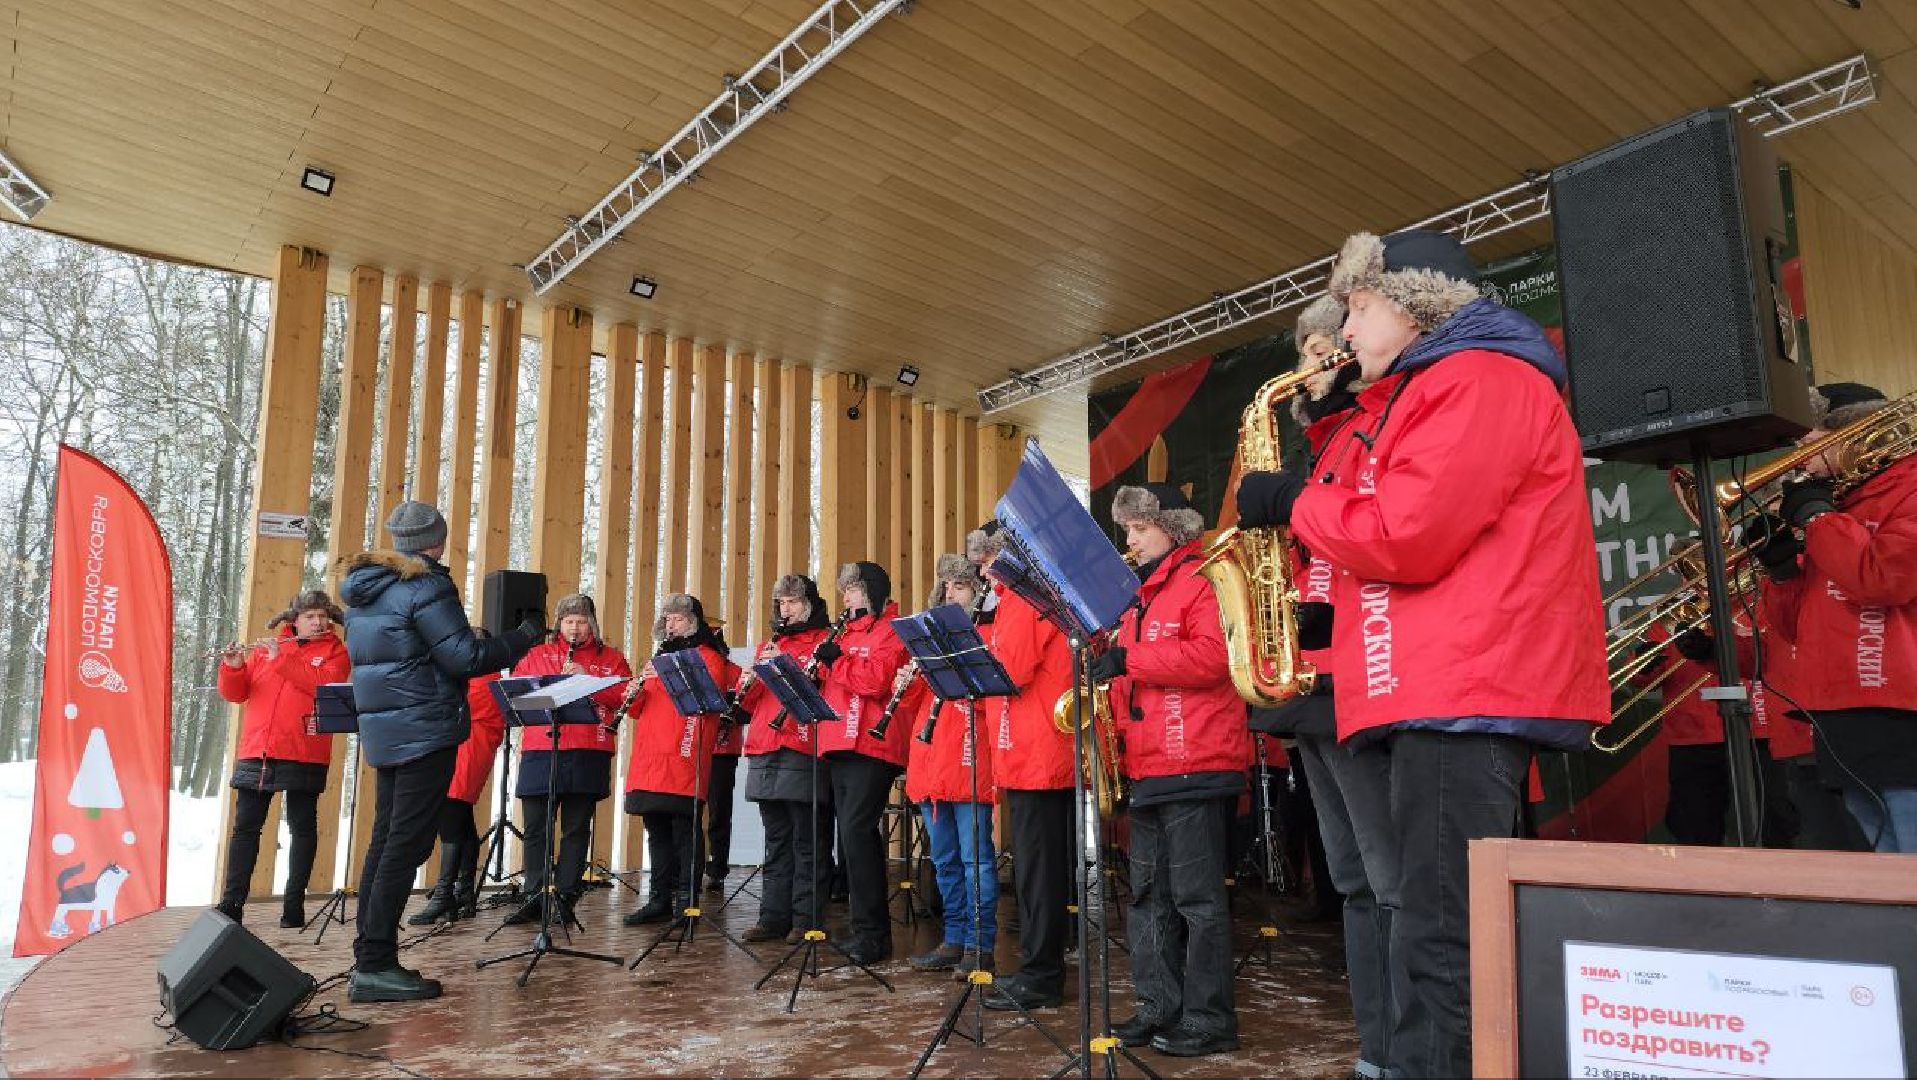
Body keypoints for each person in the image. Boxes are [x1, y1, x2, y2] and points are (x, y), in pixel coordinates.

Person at [1236, 230, 1609, 1076]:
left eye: (1359, 308)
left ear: (1411, 306)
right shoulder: (1433, 386)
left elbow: (1407, 533)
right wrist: (1330, 428)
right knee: (1433, 934)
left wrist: (1296, 498)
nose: (1347, 328)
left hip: (1465, 683)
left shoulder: (1477, 378)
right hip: (1437, 682)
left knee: (1444, 943)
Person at [1246, 296, 1402, 1080]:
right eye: (1306, 348)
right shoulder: (1320, 443)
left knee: (1385, 878)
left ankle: (1407, 1048)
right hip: (1315, 692)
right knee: (1352, 881)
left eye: (1323, 345)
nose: (1313, 362)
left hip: (1362, 683)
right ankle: (1377, 1046)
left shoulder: (1372, 427)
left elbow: (1381, 532)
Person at [339, 500, 539, 1002]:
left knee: (385, 841)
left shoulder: (366, 592)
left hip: (388, 731)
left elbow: (395, 654)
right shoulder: (426, 584)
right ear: (438, 542)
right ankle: (376, 965)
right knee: (404, 846)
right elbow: (464, 658)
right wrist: (522, 638)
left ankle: (369, 954)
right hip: (425, 729)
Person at [1099, 483, 1251, 1058]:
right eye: (1129, 531)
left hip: (1197, 759)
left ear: (1172, 526)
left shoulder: (1203, 578)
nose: (1130, 541)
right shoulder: (1141, 595)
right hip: (1149, 765)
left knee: (1197, 900)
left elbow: (1216, 656)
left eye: (1139, 529)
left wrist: (1127, 658)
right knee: (1147, 898)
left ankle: (1210, 1019)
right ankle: (1158, 1007)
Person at [1753, 381, 1916, 852]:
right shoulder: (1837, 510)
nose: (1801, 447)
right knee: (1879, 861)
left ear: (1856, 435)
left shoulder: (1906, 489)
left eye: (1816, 433)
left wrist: (1820, 520)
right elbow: (1788, 634)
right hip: (1837, 709)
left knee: (1907, 857)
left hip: (1897, 708)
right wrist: (1782, 574)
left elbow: (1883, 578)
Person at [973, 523, 1079, 1014]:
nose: (981, 568)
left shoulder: (1024, 599)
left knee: (1039, 872)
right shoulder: (1034, 596)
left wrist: (979, 655)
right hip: (1037, 749)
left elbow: (1011, 669)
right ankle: (1040, 967)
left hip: (1037, 751)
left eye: (988, 558)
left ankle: (1041, 975)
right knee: (1040, 869)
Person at [214, 590, 352, 928]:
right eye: (310, 616)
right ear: (294, 620)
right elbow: (237, 693)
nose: (318, 622)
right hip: (258, 749)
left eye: (322, 616)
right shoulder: (265, 651)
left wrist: (281, 660)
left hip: (303, 749)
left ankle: (294, 906)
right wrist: (232, 668)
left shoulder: (336, 652)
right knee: (245, 828)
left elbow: (322, 685)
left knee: (302, 828)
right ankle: (232, 904)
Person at [503, 594, 631, 925]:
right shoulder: (537, 654)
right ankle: (534, 894)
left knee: (575, 829)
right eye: (568, 621)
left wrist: (587, 679)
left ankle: (565, 896)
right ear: (559, 624)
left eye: (581, 621)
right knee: (535, 827)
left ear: (592, 624)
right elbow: (516, 695)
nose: (574, 628)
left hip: (589, 749)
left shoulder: (612, 659)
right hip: (541, 748)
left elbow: (626, 697)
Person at [903, 555, 999, 978]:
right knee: (944, 860)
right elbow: (906, 707)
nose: (949, 593)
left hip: (968, 759)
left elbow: (993, 698)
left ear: (975, 591)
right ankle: (954, 938)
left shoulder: (988, 634)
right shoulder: (928, 643)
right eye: (944, 587)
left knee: (976, 860)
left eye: (958, 586)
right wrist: (909, 678)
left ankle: (981, 943)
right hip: (931, 764)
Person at [813, 561, 910, 965]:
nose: (846, 597)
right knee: (852, 835)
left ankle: (874, 934)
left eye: (853, 590)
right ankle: (864, 930)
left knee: (856, 830)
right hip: (838, 743)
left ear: (870, 591)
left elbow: (875, 682)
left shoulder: (893, 630)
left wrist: (836, 661)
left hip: (874, 743)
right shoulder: (844, 634)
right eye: (844, 591)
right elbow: (827, 683)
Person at [622, 593, 734, 925]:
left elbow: (711, 694)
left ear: (693, 623)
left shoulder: (709, 657)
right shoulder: (656, 660)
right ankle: (659, 899)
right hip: (650, 755)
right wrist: (634, 693)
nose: (671, 625)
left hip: (683, 751)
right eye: (668, 619)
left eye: (679, 619)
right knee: (655, 829)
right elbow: (638, 710)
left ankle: (688, 901)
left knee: (685, 830)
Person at [739, 575, 835, 943]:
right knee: (776, 840)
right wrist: (746, 684)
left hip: (801, 742)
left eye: (793, 602)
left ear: (809, 603)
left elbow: (820, 688)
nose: (786, 609)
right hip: (765, 743)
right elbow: (748, 705)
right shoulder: (770, 643)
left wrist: (783, 664)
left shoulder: (824, 641)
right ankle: (772, 918)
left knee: (807, 840)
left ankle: (806, 918)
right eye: (781, 603)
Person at [408, 651, 507, 925]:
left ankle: (445, 896)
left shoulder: (485, 680)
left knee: (451, 813)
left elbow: (449, 703)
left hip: (469, 748)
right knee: (460, 818)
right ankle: (462, 891)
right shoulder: (469, 678)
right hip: (461, 746)